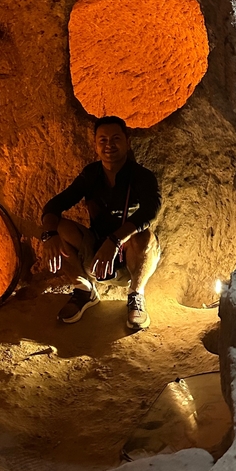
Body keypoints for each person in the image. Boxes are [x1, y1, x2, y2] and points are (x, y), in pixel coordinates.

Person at [40, 116, 162, 330]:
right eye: (102, 140)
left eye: (115, 138)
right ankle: (84, 290)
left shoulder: (142, 177)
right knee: (59, 227)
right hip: (96, 254)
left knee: (146, 236)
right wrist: (49, 235)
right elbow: (54, 205)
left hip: (127, 258)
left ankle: (136, 295)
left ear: (127, 141)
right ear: (95, 144)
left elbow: (150, 212)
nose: (109, 145)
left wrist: (115, 241)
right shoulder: (92, 174)